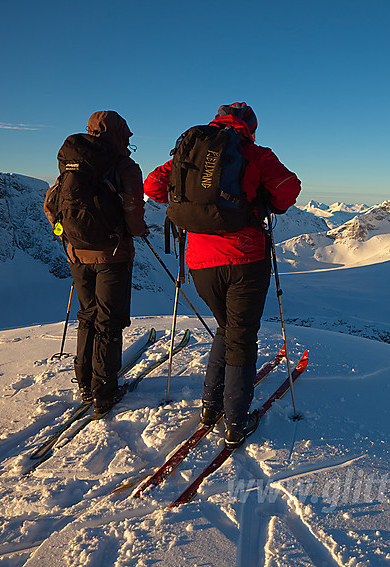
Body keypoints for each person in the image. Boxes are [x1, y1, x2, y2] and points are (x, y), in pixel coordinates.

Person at [144, 103, 301, 447]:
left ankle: (210, 408)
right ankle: (235, 422)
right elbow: (289, 191)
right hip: (245, 259)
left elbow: (152, 186)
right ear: (251, 128)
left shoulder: (190, 151)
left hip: (200, 263)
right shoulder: (256, 153)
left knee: (227, 329)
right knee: (241, 338)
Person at [45, 110, 148, 418]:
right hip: (112, 254)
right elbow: (133, 209)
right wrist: (138, 231)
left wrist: (67, 234)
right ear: (119, 134)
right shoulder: (123, 165)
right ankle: (105, 391)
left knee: (87, 315)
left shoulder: (73, 160)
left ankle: (85, 384)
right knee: (109, 320)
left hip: (77, 252)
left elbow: (52, 202)